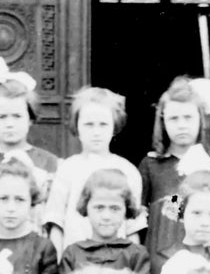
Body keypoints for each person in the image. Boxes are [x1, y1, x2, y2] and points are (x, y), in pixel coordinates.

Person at [0, 58, 59, 239]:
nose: (9, 124)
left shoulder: (50, 163)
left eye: (17, 116)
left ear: (30, 118)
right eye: (2, 117)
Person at [41, 86, 143, 250]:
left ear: (114, 126)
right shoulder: (68, 169)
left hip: (116, 262)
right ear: (77, 126)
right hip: (75, 263)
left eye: (103, 124)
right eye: (89, 124)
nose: (96, 132)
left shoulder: (128, 171)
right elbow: (56, 223)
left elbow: (132, 227)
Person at [138, 75, 210, 259]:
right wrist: (178, 195)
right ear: (163, 122)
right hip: (160, 250)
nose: (182, 125)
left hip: (199, 251)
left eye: (188, 117)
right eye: (174, 119)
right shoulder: (152, 165)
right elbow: (163, 214)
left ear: (200, 120)